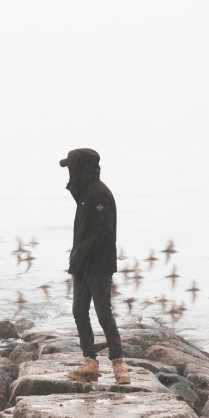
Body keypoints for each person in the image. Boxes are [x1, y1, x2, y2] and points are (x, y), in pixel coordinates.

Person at [59, 148, 130, 385]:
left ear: (83, 168)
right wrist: (77, 255)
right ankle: (90, 362)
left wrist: (80, 252)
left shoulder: (99, 193)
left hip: (98, 264)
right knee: (79, 311)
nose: (69, 173)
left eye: (71, 167)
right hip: (82, 264)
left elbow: (104, 232)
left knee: (103, 312)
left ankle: (119, 364)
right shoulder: (85, 193)